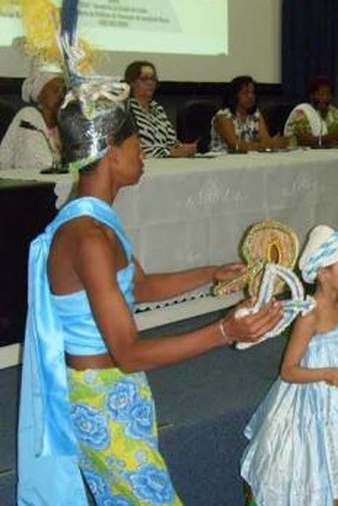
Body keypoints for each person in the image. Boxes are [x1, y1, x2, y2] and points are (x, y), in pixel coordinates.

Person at [16, 73, 284, 505]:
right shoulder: (88, 236)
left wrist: (210, 272)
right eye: (136, 146)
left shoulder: (99, 222)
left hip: (116, 387)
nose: (143, 156)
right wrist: (223, 333)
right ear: (109, 153)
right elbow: (128, 351)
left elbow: (138, 286)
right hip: (100, 394)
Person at [241, 225, 338, 506]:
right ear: (323, 272)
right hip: (316, 402)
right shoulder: (309, 315)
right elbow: (288, 370)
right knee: (326, 459)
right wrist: (330, 373)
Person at [124, 60, 197, 158]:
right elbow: (134, 150)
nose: (150, 83)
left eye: (153, 79)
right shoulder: (125, 110)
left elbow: (172, 141)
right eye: (144, 79)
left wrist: (184, 148)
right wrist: (169, 153)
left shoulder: (158, 109)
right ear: (132, 82)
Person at [0, 63, 65, 170]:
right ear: (40, 95)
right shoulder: (28, 115)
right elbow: (38, 165)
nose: (61, 96)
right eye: (55, 90)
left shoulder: (62, 124)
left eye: (64, 91)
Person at [210, 75, 289, 152]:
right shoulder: (223, 116)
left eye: (252, 93)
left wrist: (272, 143)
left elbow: (265, 140)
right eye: (245, 93)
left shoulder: (255, 114)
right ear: (234, 95)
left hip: (249, 160)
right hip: (223, 161)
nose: (251, 96)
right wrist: (267, 145)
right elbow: (235, 146)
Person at [283, 75, 338, 147]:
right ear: (312, 96)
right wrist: (330, 138)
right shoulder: (301, 113)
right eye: (321, 94)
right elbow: (305, 141)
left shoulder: (334, 112)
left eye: (328, 94)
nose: (325, 98)